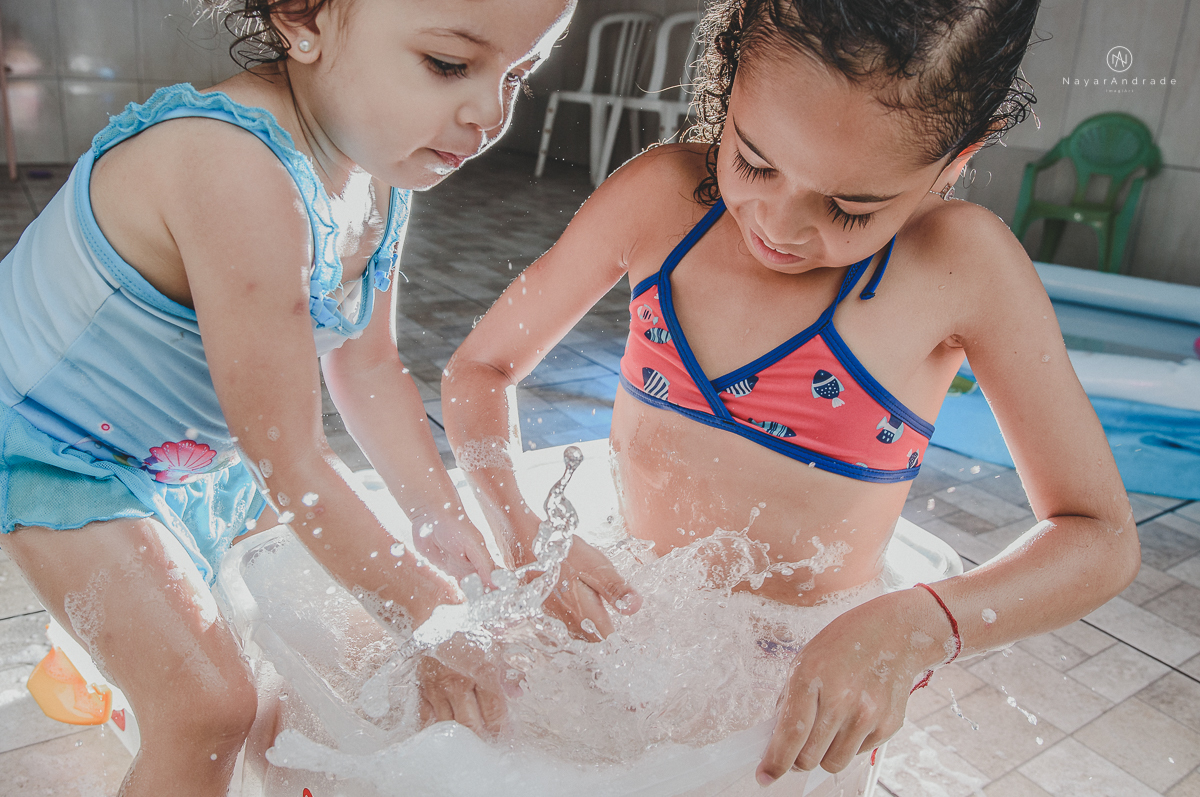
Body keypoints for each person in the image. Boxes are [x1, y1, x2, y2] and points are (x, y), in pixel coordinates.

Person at [441, 0, 1140, 787]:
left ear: (953, 162)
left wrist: (917, 625)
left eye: (850, 207)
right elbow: (480, 371)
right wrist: (526, 531)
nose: (779, 224)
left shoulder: (958, 266)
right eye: (754, 161)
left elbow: (1101, 537)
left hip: (794, 704)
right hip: (627, 636)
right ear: (730, 79)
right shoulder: (661, 200)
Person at [0, 1, 642, 794]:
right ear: (301, 17)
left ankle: (147, 668)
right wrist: (432, 610)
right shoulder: (231, 167)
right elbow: (294, 462)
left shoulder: (374, 173)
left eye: (517, 74)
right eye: (449, 65)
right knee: (209, 707)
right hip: (59, 447)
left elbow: (367, 369)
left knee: (313, 652)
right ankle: (122, 662)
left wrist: (443, 522)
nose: (488, 114)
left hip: (195, 447)